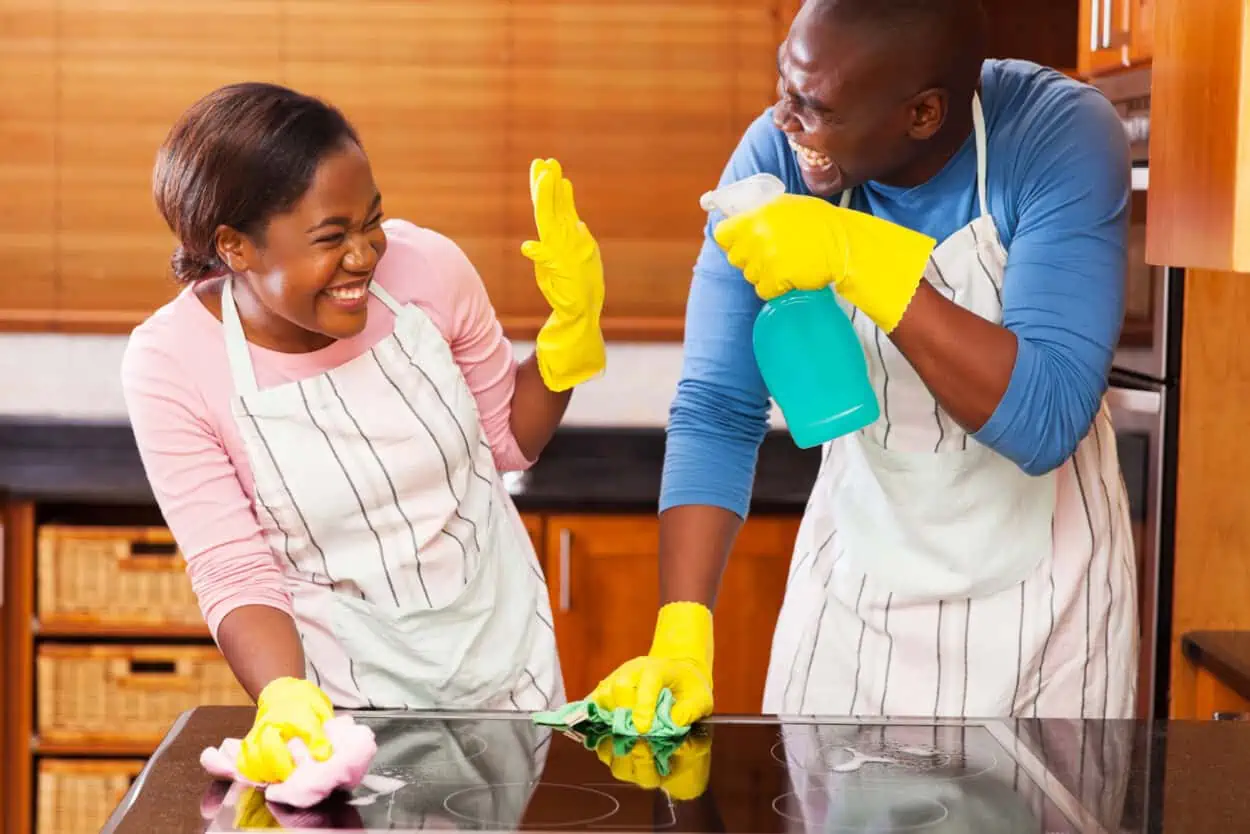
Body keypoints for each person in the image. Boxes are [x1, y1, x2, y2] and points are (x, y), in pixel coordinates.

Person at [592, 0, 1136, 729]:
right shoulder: (777, 155)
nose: (784, 121)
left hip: (1044, 607)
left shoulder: (1056, 134)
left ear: (922, 114)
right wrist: (683, 631)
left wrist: (858, 256)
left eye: (814, 108)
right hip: (855, 599)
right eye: (785, 87)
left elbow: (1045, 420)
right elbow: (718, 405)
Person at [121, 81, 605, 781]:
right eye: (330, 237)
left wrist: (567, 341)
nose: (364, 254)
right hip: (344, 713)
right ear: (236, 248)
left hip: (507, 668)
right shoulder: (172, 362)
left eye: (370, 221)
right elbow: (234, 567)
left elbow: (507, 442)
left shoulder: (429, 269)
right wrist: (285, 696)